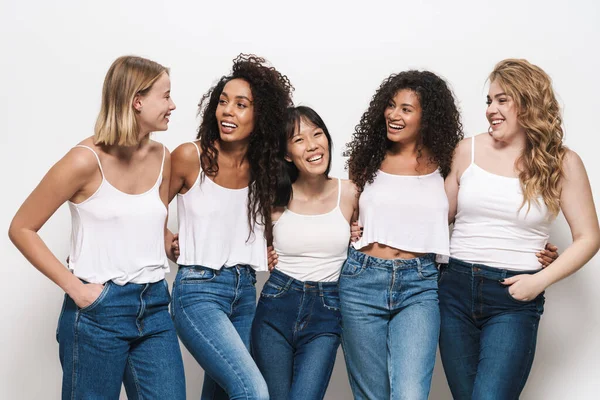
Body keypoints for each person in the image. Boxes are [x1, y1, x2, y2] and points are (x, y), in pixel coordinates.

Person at [8, 56, 185, 399]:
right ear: (137, 101)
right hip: (99, 311)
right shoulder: (83, 160)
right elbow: (21, 227)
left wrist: (171, 243)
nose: (172, 105)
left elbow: (149, 225)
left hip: (154, 307)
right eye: (165, 96)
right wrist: (77, 290)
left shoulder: (163, 156)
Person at [439, 58, 600, 399]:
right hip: (453, 290)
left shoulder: (562, 162)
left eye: (502, 100)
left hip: (513, 296)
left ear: (527, 103)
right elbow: (437, 219)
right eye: (488, 101)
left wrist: (538, 281)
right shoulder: (466, 150)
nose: (490, 110)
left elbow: (589, 237)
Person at [168, 54, 293, 400]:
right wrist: (167, 239)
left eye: (241, 105)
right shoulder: (190, 157)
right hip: (198, 292)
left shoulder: (263, 168)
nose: (227, 111)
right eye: (223, 102)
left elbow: (256, 222)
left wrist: (264, 247)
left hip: (244, 292)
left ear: (261, 116)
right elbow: (145, 211)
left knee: (222, 395)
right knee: (252, 391)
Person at [341, 70, 462, 399]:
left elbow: (473, 213)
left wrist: (531, 245)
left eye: (406, 109)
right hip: (361, 281)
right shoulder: (366, 161)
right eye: (391, 106)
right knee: (372, 394)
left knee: (410, 394)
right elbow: (343, 214)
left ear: (427, 117)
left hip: (420, 285)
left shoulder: (448, 164)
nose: (394, 115)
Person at [251, 106, 359, 400]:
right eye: (298, 140)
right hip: (276, 305)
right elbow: (249, 245)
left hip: (327, 310)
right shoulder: (273, 198)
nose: (312, 145)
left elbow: (371, 245)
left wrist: (357, 237)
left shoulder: (350, 192)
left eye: (317, 134)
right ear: (286, 154)